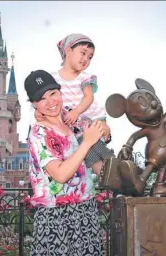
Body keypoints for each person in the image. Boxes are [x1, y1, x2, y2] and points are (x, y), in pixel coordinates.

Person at [25, 69, 105, 255]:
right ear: (34, 104)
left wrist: (104, 128)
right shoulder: (39, 133)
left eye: (53, 93)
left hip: (85, 209)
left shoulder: (70, 119)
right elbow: (60, 175)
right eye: (42, 99)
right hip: (56, 214)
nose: (51, 102)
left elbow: (97, 133)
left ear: (60, 92)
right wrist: (86, 142)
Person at [35, 33, 115, 174]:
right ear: (68, 51)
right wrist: (38, 112)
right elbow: (45, 98)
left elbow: (88, 98)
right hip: (74, 125)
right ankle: (106, 177)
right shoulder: (53, 78)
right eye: (83, 53)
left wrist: (76, 111)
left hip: (89, 118)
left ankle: (118, 170)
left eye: (90, 57)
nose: (86, 59)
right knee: (88, 153)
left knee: (99, 148)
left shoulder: (84, 77)